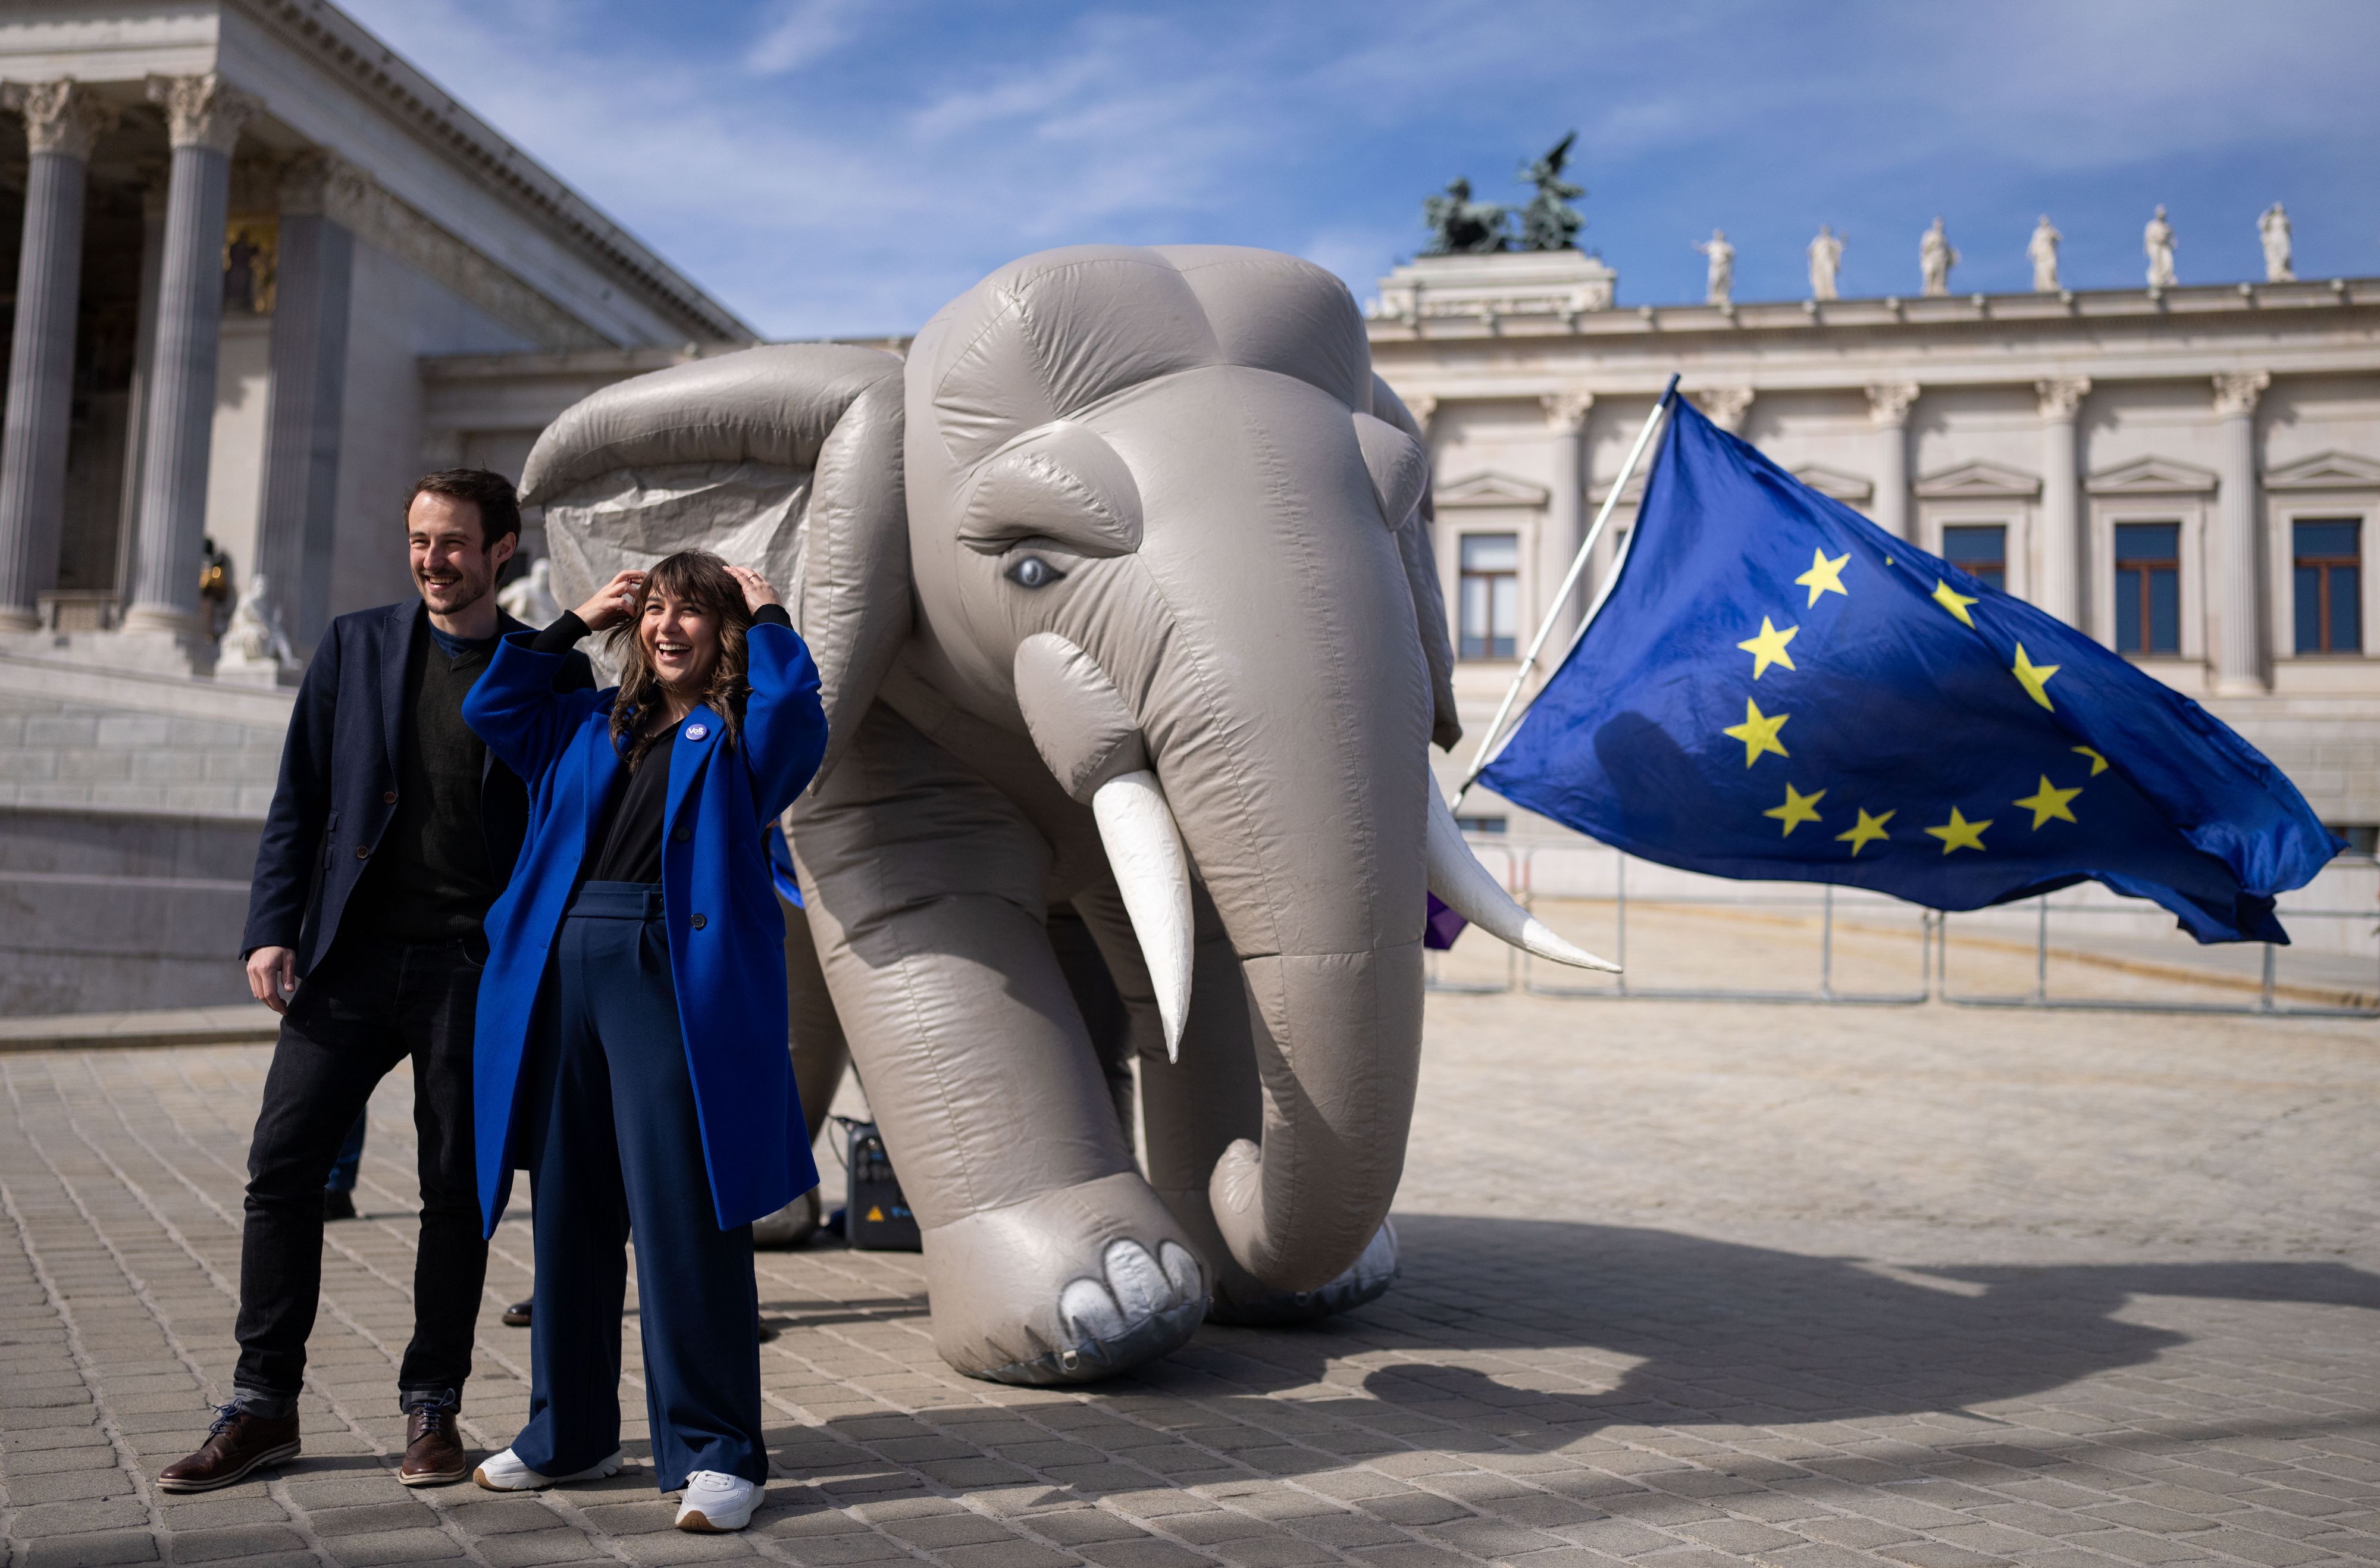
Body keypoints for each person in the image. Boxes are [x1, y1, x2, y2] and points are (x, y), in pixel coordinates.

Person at [159, 470, 594, 1495]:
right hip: (349, 961)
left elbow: (569, 826)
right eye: (418, 541)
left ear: (501, 551)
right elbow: (298, 798)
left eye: (452, 543)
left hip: (470, 971)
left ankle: (431, 1408)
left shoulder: (551, 674)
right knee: (282, 1166)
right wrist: (271, 928)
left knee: (455, 1191)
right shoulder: (354, 647)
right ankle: (263, 1404)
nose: (431, 560)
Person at [461, 551, 828, 1535]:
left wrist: (772, 610)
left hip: (668, 972)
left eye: (692, 614)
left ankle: (719, 1453)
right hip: (562, 967)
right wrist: (575, 620)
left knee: (681, 1208)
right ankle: (568, 1435)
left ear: (723, 634)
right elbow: (491, 705)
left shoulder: (741, 732)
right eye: (655, 609)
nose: (668, 627)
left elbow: (800, 713)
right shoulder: (588, 720)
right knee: (570, 1209)